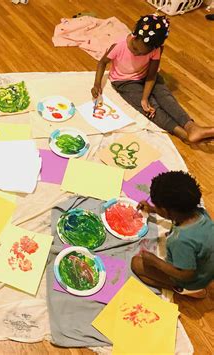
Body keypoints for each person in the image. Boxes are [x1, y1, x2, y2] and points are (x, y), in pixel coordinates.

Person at [92, 14, 214, 145]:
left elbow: (151, 75)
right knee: (150, 107)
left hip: (146, 77)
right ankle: (183, 133)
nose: (137, 53)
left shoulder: (155, 49)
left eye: (142, 53)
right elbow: (102, 63)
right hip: (124, 82)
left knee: (165, 97)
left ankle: (191, 126)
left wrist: (145, 96)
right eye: (135, 48)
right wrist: (97, 84)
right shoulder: (119, 46)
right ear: (134, 36)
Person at [131, 171, 213, 299]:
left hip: (193, 280)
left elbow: (186, 274)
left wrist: (155, 262)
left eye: (157, 206)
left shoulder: (180, 240)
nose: (155, 207)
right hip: (206, 268)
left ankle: (186, 290)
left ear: (165, 211)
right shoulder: (199, 212)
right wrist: (152, 209)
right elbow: (174, 213)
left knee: (136, 264)